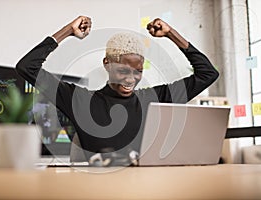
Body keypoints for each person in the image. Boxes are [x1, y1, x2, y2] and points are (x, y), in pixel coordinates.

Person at [16, 16, 219, 161]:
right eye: (123, 70)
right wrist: (68, 31)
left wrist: (171, 34)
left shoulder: (155, 98)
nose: (131, 79)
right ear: (107, 63)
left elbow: (208, 74)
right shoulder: (79, 99)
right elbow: (27, 67)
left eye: (137, 71)